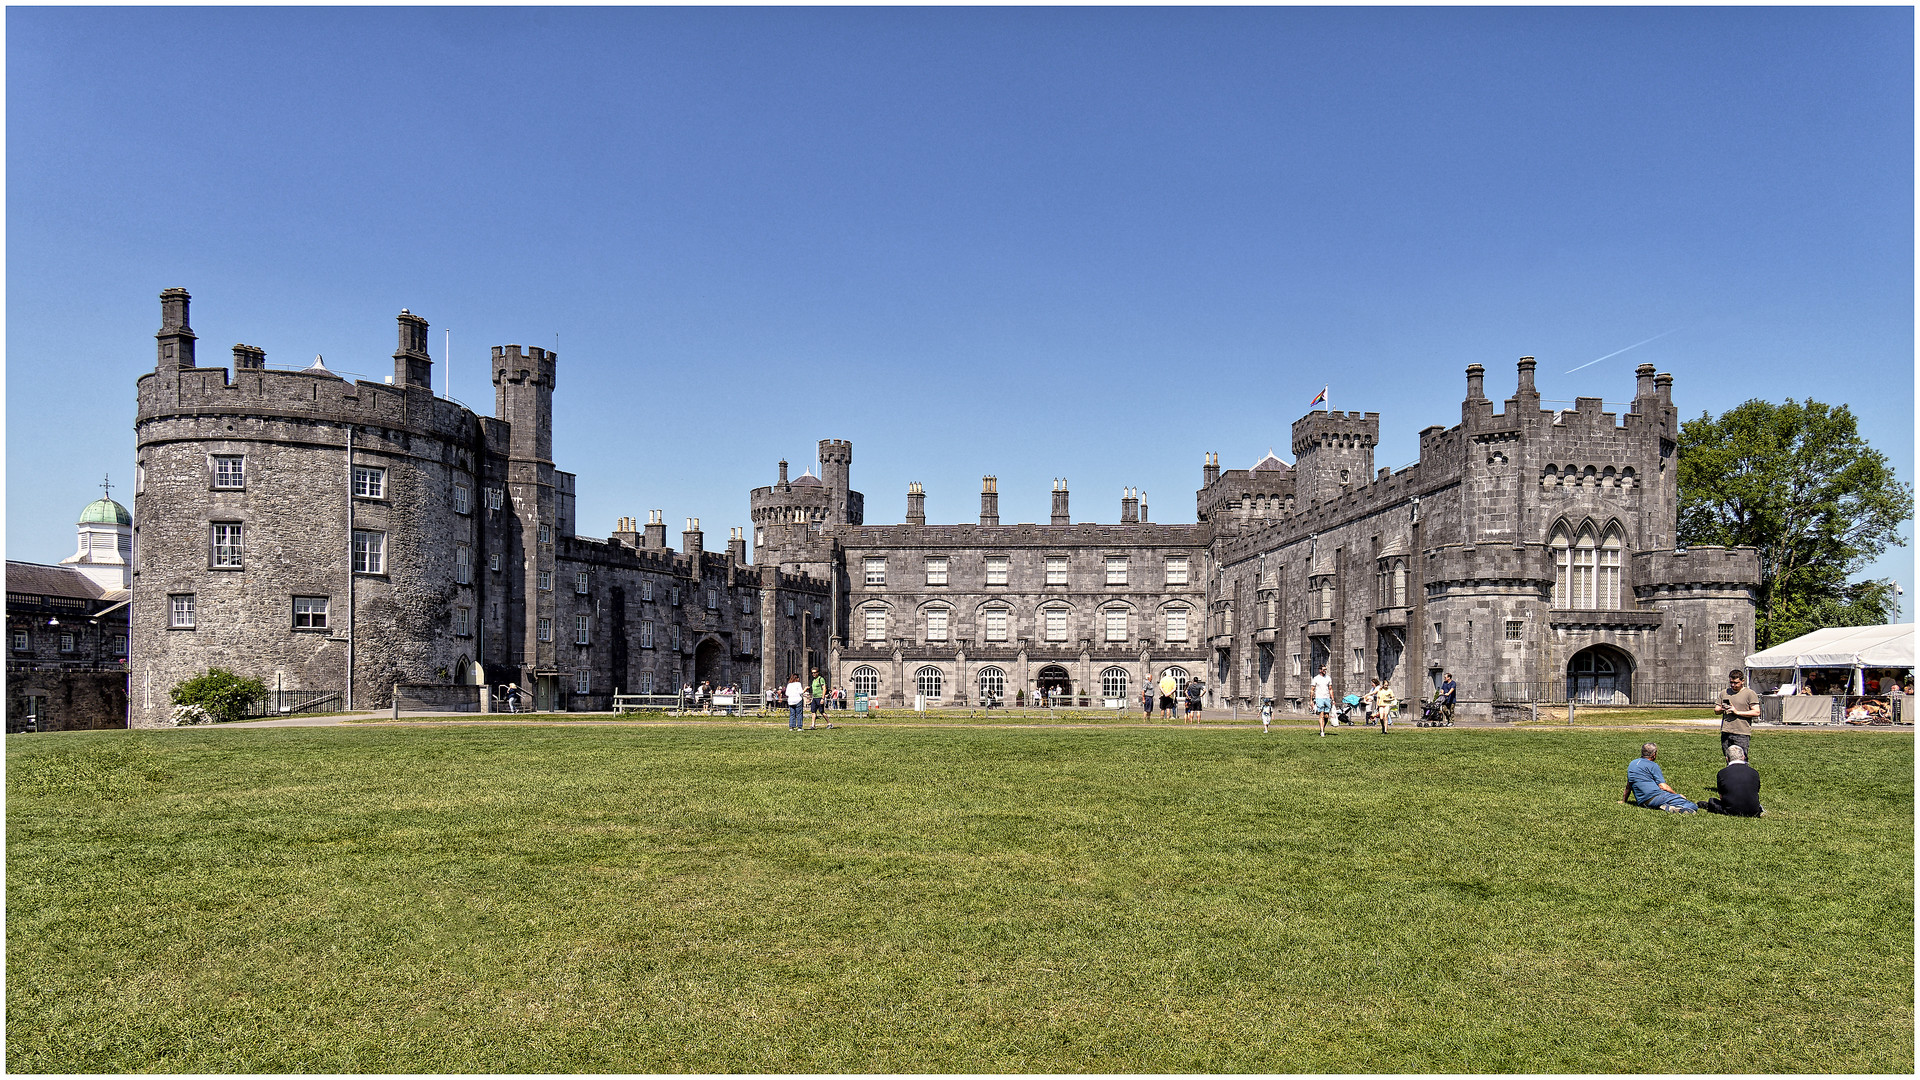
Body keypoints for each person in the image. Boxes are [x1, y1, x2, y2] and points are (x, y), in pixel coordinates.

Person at [1622, 742, 1697, 813]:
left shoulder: (1632, 763)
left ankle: (1665, 806)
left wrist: (1624, 801)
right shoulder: (1653, 765)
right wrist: (1677, 795)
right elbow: (1663, 786)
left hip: (1642, 802)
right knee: (1692, 806)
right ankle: (1673, 808)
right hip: (1656, 797)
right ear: (1654, 754)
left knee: (1670, 800)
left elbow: (1629, 786)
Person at [1702, 744, 1764, 817]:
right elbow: (1756, 791)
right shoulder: (1754, 772)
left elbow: (1721, 796)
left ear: (1727, 759)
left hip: (1731, 810)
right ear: (1743, 757)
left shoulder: (1722, 773)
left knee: (1712, 801)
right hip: (1754, 811)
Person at [1715, 669, 1760, 761]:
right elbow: (1716, 710)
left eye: (1736, 683)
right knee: (1728, 759)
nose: (1733, 685)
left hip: (1741, 732)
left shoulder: (1750, 693)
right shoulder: (1724, 693)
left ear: (1742, 681)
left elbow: (1756, 712)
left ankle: (1743, 775)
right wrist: (1723, 708)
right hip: (1726, 731)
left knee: (1741, 759)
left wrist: (1737, 712)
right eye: (1731, 682)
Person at [1311, 665, 1333, 737]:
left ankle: (1323, 727)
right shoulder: (1316, 678)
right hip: (1319, 698)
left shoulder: (1328, 678)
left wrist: (1332, 699)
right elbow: (1312, 690)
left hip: (1327, 698)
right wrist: (1311, 700)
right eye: (1323, 669)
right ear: (1320, 670)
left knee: (1326, 716)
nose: (1325, 671)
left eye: (1325, 669)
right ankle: (1322, 731)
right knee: (1321, 715)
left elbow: (1330, 689)